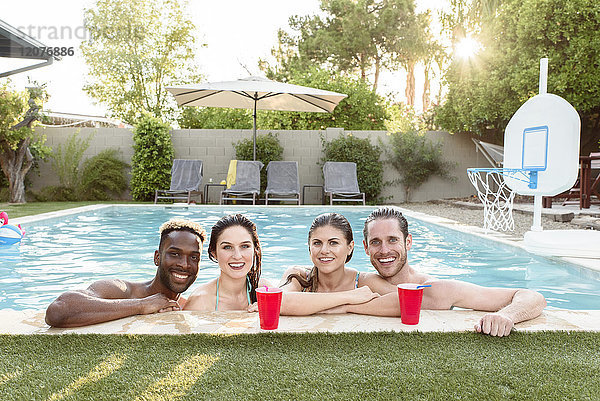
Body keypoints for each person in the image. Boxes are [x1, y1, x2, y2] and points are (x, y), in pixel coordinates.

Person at [344, 206, 547, 337]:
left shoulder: (435, 288)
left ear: (408, 242)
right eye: (376, 242)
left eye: (393, 240)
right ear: (366, 247)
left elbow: (532, 296)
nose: (384, 250)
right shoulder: (360, 282)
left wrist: (507, 316)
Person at [45, 218, 205, 328]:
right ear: (157, 257)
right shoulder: (121, 290)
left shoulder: (187, 307)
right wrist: (142, 305)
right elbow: (59, 310)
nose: (184, 264)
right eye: (174, 254)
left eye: (193, 257)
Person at [275, 212, 379, 315]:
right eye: (317, 243)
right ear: (309, 246)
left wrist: (347, 307)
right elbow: (276, 302)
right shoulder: (298, 276)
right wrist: (349, 296)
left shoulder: (362, 281)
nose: (324, 250)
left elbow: (395, 298)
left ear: (350, 247)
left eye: (333, 243)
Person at [184, 214, 269, 311]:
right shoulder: (200, 301)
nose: (237, 256)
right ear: (214, 253)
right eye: (227, 247)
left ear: (255, 249)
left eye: (245, 246)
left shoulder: (263, 289)